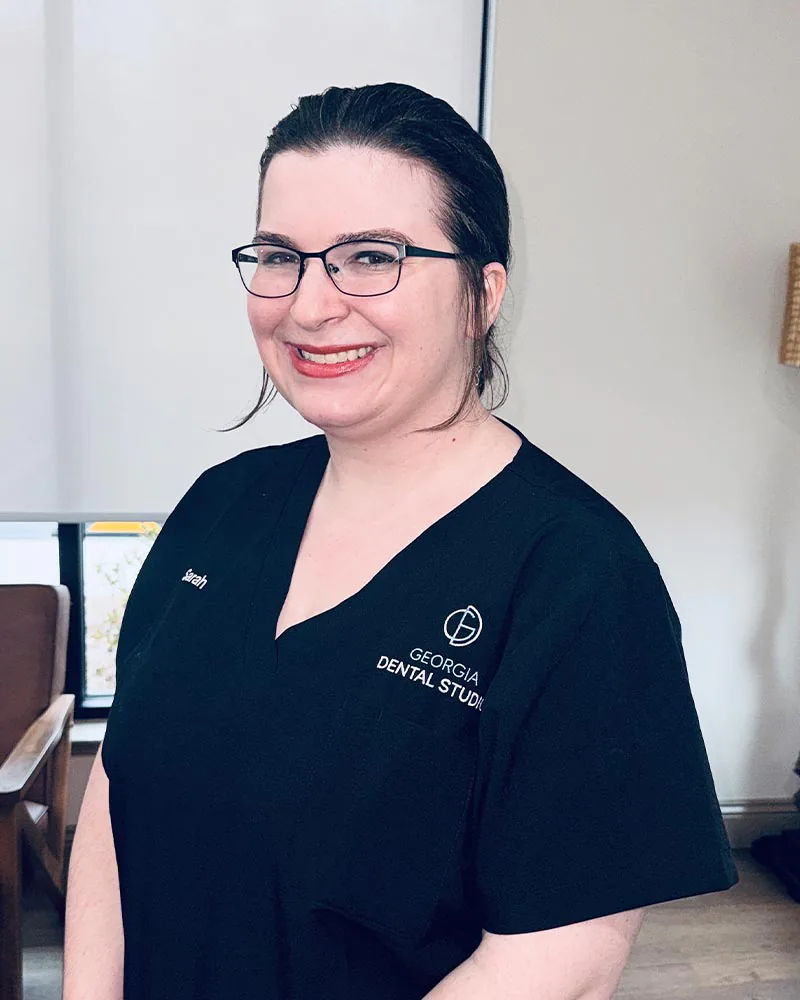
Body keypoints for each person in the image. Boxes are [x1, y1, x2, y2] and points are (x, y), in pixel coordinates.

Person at [64, 82, 738, 1000]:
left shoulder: (576, 575)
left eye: (371, 257)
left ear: (481, 294)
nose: (309, 306)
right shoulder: (222, 505)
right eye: (280, 257)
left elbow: (558, 959)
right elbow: (119, 790)